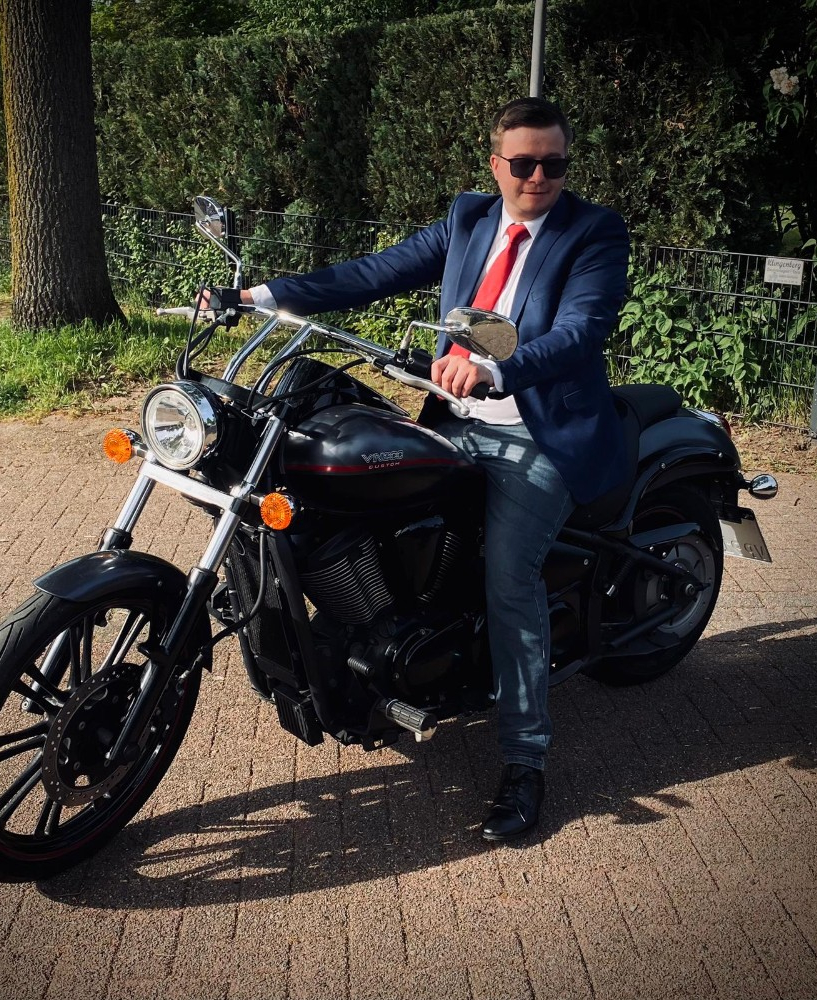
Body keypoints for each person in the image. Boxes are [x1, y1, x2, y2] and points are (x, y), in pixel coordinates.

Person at [238, 97, 631, 842]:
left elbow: (582, 330)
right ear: (496, 165)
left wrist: (496, 369)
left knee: (510, 582)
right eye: (524, 163)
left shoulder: (594, 232)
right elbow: (375, 272)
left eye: (554, 164)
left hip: (536, 434)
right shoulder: (469, 218)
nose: (539, 178)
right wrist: (261, 295)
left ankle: (525, 760)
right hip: (454, 418)